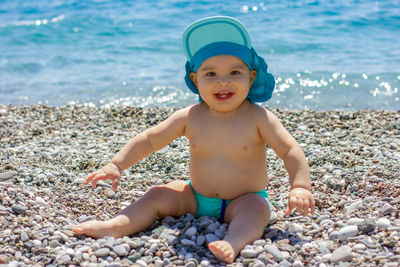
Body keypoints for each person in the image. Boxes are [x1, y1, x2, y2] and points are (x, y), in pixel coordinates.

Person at [73, 16, 314, 263]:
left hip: (244, 199)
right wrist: (116, 164)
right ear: (195, 79)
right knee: (157, 194)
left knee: (256, 212)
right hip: (196, 197)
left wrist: (300, 186)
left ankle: (233, 242)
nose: (223, 81)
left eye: (235, 72)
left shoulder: (258, 117)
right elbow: (150, 139)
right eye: (211, 74)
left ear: (251, 77)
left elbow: (289, 150)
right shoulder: (190, 117)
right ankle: (117, 225)